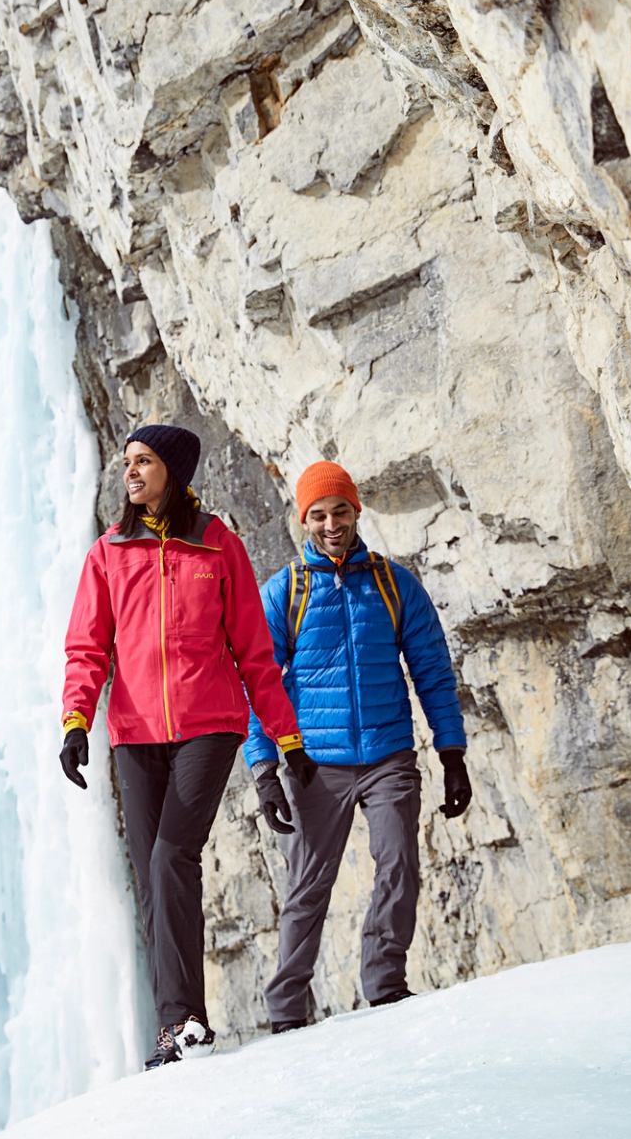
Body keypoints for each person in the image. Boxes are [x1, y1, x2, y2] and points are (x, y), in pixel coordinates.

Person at [59, 423, 317, 1069]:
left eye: (143, 462)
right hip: (135, 733)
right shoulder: (110, 553)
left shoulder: (217, 546)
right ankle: (177, 1029)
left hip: (210, 724)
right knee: (151, 878)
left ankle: (182, 1021)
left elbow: (256, 654)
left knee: (174, 855)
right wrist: (74, 722)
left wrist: (288, 738)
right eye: (127, 464)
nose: (131, 474)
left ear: (172, 470)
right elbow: (87, 646)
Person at [245, 460, 471, 1032]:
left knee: (399, 862)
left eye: (339, 511)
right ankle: (286, 1011)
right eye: (317, 515)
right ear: (304, 521)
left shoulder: (395, 585)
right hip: (314, 763)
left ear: (356, 511)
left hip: (389, 755)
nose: (330, 524)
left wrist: (452, 753)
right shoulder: (285, 592)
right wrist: (264, 768)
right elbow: (257, 682)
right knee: (307, 887)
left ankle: (384, 982)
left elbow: (432, 671)